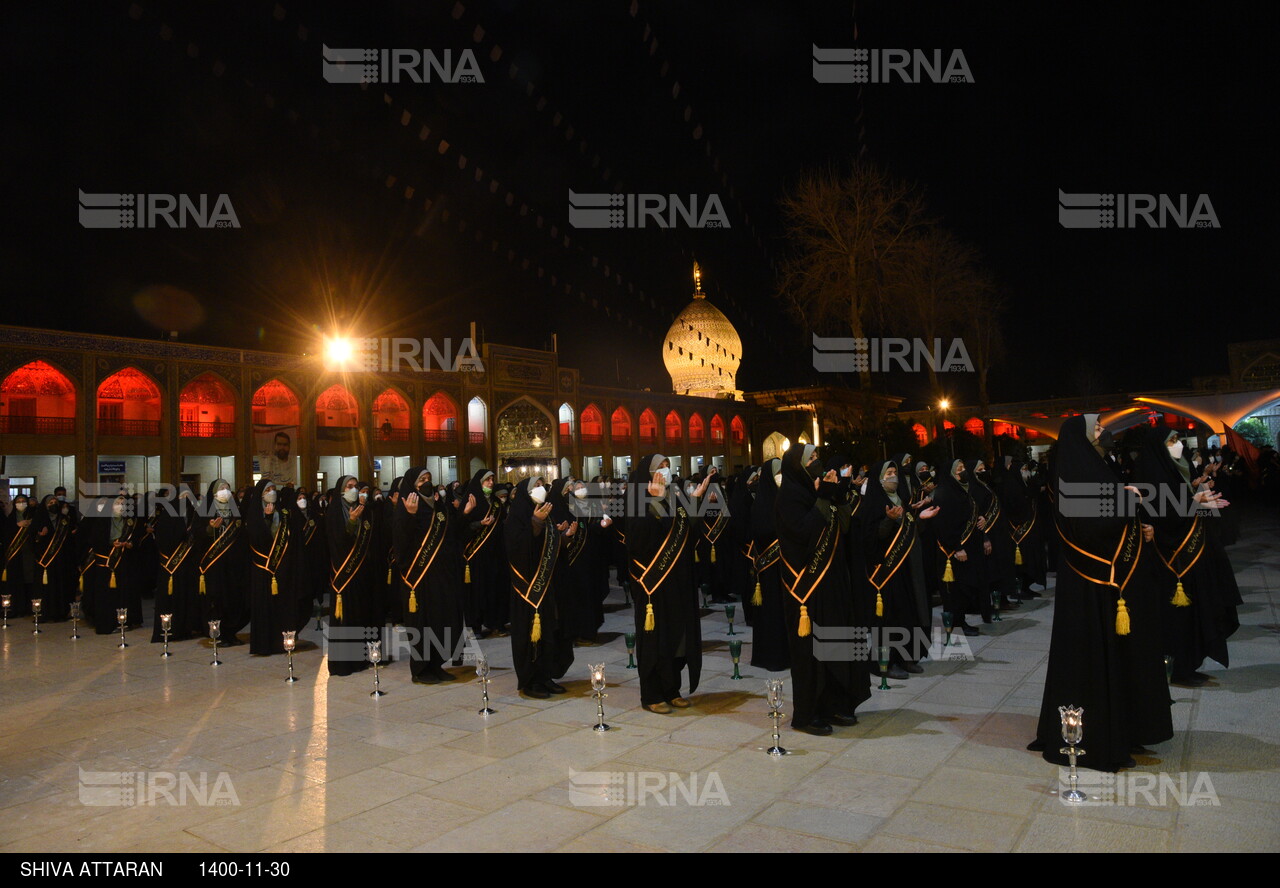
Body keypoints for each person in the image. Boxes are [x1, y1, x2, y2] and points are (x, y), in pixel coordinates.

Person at [1029, 415, 1172, 772]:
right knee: (1094, 657)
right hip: (1090, 588)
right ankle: (1095, 735)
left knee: (1124, 656)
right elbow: (1086, 525)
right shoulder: (1071, 473)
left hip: (1112, 585)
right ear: (1079, 437)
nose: (1102, 433)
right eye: (1095, 429)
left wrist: (1139, 525)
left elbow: (1113, 519)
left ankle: (1124, 727)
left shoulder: (1099, 466)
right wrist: (1127, 504)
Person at [1133, 425, 1239, 687]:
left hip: (1190, 553)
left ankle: (1190, 662)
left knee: (1195, 609)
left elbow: (1179, 503)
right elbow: (1160, 512)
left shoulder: (1174, 470)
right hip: (1170, 558)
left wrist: (1196, 499)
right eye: (1172, 441)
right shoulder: (1151, 472)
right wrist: (1196, 504)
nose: (1177, 445)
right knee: (1175, 614)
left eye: (1178, 440)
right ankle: (1176, 666)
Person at [774, 445, 868, 734]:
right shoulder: (789, 497)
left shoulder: (816, 491)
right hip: (808, 587)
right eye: (811, 459)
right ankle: (807, 713)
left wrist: (835, 494)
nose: (817, 462)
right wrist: (824, 496)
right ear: (797, 467)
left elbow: (844, 525)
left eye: (816, 457)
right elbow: (803, 533)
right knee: (811, 653)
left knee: (837, 644)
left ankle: (835, 703)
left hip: (833, 580)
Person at [625, 455, 702, 713]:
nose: (665, 472)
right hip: (652, 583)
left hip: (676, 579)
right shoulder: (637, 497)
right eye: (660, 467)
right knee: (655, 639)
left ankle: (672, 690)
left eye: (668, 467)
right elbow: (637, 541)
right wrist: (655, 501)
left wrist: (695, 502)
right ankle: (652, 694)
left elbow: (687, 532)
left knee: (676, 638)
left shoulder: (676, 495)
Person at [862, 460, 939, 678]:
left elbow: (910, 531)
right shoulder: (873, 503)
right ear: (879, 478)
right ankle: (885, 663)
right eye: (889, 473)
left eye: (895, 472)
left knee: (909, 614)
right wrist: (888, 521)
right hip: (886, 572)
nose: (894, 476)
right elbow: (870, 539)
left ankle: (907, 657)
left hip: (907, 570)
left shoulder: (902, 501)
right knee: (890, 618)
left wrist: (921, 519)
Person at [504, 476, 573, 698]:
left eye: (542, 485)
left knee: (549, 633)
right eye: (536, 485)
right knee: (530, 635)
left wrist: (564, 537)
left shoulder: (546, 512)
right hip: (527, 588)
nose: (540, 489)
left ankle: (545, 676)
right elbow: (517, 548)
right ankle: (530, 681)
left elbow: (550, 546)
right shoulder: (517, 516)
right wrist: (535, 523)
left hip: (546, 585)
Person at [929, 460, 986, 635]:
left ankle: (961, 620)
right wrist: (957, 547)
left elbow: (968, 513)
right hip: (953, 551)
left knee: (965, 587)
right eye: (959, 469)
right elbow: (943, 525)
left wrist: (982, 519)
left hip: (968, 547)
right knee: (955, 590)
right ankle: (955, 623)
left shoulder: (962, 490)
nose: (963, 472)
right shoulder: (944, 493)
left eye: (963, 468)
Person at [749, 458, 790, 672]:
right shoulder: (763, 500)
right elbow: (763, 529)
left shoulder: (786, 497)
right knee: (773, 611)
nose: (781, 476)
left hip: (787, 566)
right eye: (778, 472)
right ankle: (773, 656)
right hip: (770, 568)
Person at [198, 479, 248, 644]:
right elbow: (196, 537)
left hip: (233, 565)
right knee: (218, 599)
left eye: (227, 487)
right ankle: (217, 634)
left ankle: (231, 631)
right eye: (222, 488)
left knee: (234, 598)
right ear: (214, 492)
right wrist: (210, 528)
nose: (225, 490)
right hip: (215, 566)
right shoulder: (205, 510)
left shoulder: (235, 510)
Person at [149, 485, 200, 642]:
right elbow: (162, 539)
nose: (184, 500)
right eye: (181, 497)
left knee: (187, 596)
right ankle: (169, 629)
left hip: (188, 565)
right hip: (171, 565)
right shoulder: (167, 515)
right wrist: (182, 535)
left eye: (187, 496)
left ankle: (187, 627)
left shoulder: (193, 514)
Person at [462, 468, 504, 638]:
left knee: (494, 588)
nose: (491, 483)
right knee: (477, 591)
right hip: (475, 555)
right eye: (487, 480)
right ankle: (476, 625)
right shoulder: (471, 500)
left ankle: (494, 622)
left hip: (494, 553)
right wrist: (479, 523)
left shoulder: (495, 502)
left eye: (492, 480)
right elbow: (460, 527)